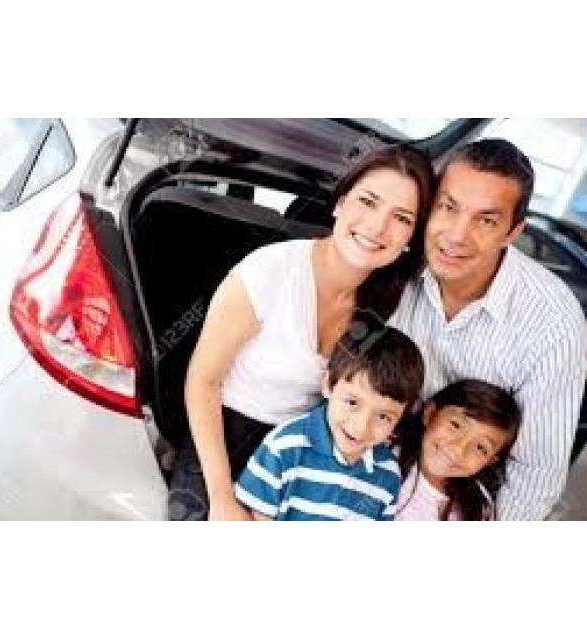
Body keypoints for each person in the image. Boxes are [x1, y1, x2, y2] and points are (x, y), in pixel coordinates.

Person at [170, 145, 435, 520]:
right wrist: (221, 497)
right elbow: (202, 380)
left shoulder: (394, 307)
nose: (378, 226)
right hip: (225, 437)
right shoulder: (268, 272)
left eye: (401, 218)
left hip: (312, 451)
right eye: (368, 201)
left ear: (411, 237)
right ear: (340, 202)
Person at [389, 138, 587, 520]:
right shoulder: (393, 257)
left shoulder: (553, 323)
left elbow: (534, 476)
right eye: (449, 207)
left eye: (486, 220)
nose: (456, 235)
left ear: (513, 232)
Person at [234, 323, 425, 521]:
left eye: (383, 416)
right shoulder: (283, 449)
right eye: (352, 403)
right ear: (328, 384)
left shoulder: (388, 475)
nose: (361, 427)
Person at [394, 379, 521, 521]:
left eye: (480, 447)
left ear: (489, 461)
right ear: (430, 414)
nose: (458, 449)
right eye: (455, 425)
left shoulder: (476, 511)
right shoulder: (383, 455)